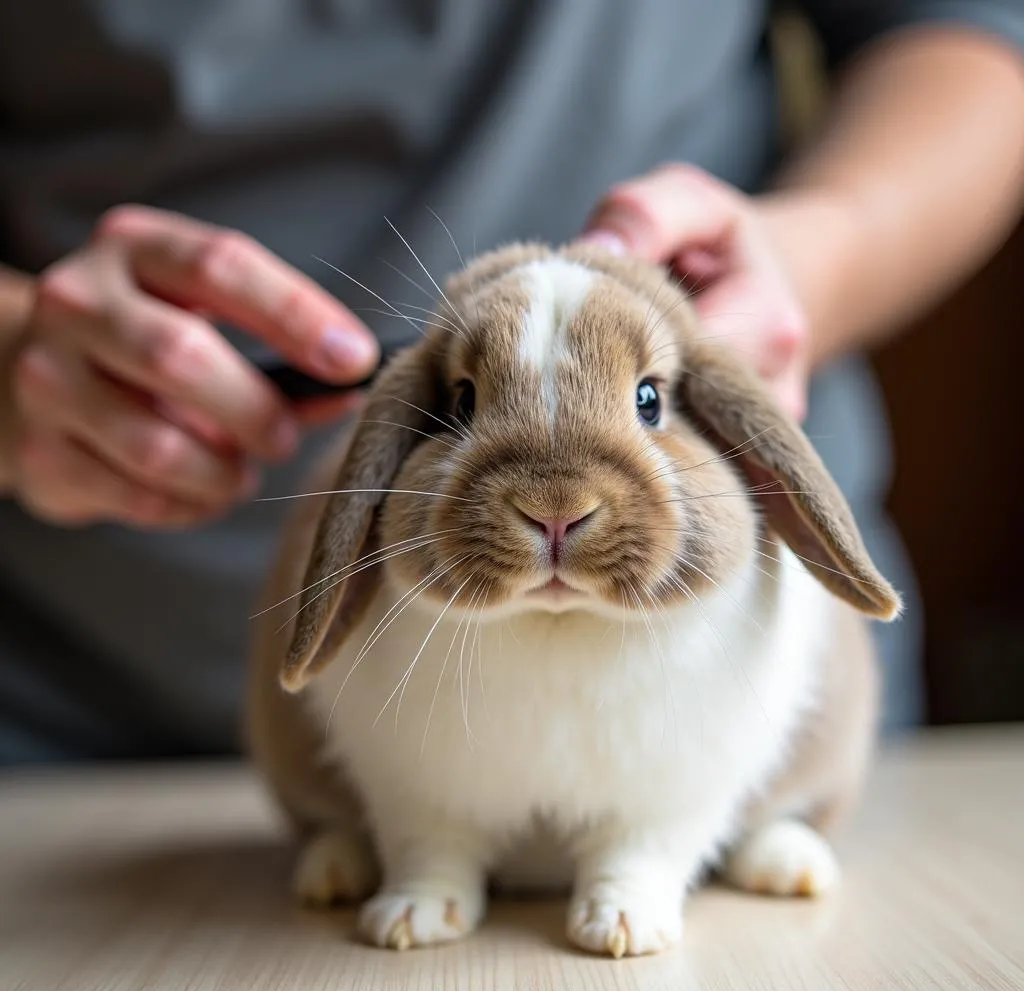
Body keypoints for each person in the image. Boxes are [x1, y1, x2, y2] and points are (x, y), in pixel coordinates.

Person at [1, 2, 1022, 765]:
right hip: (80, 709)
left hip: (720, 722)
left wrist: (815, 257)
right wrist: (14, 352)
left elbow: (966, 31)